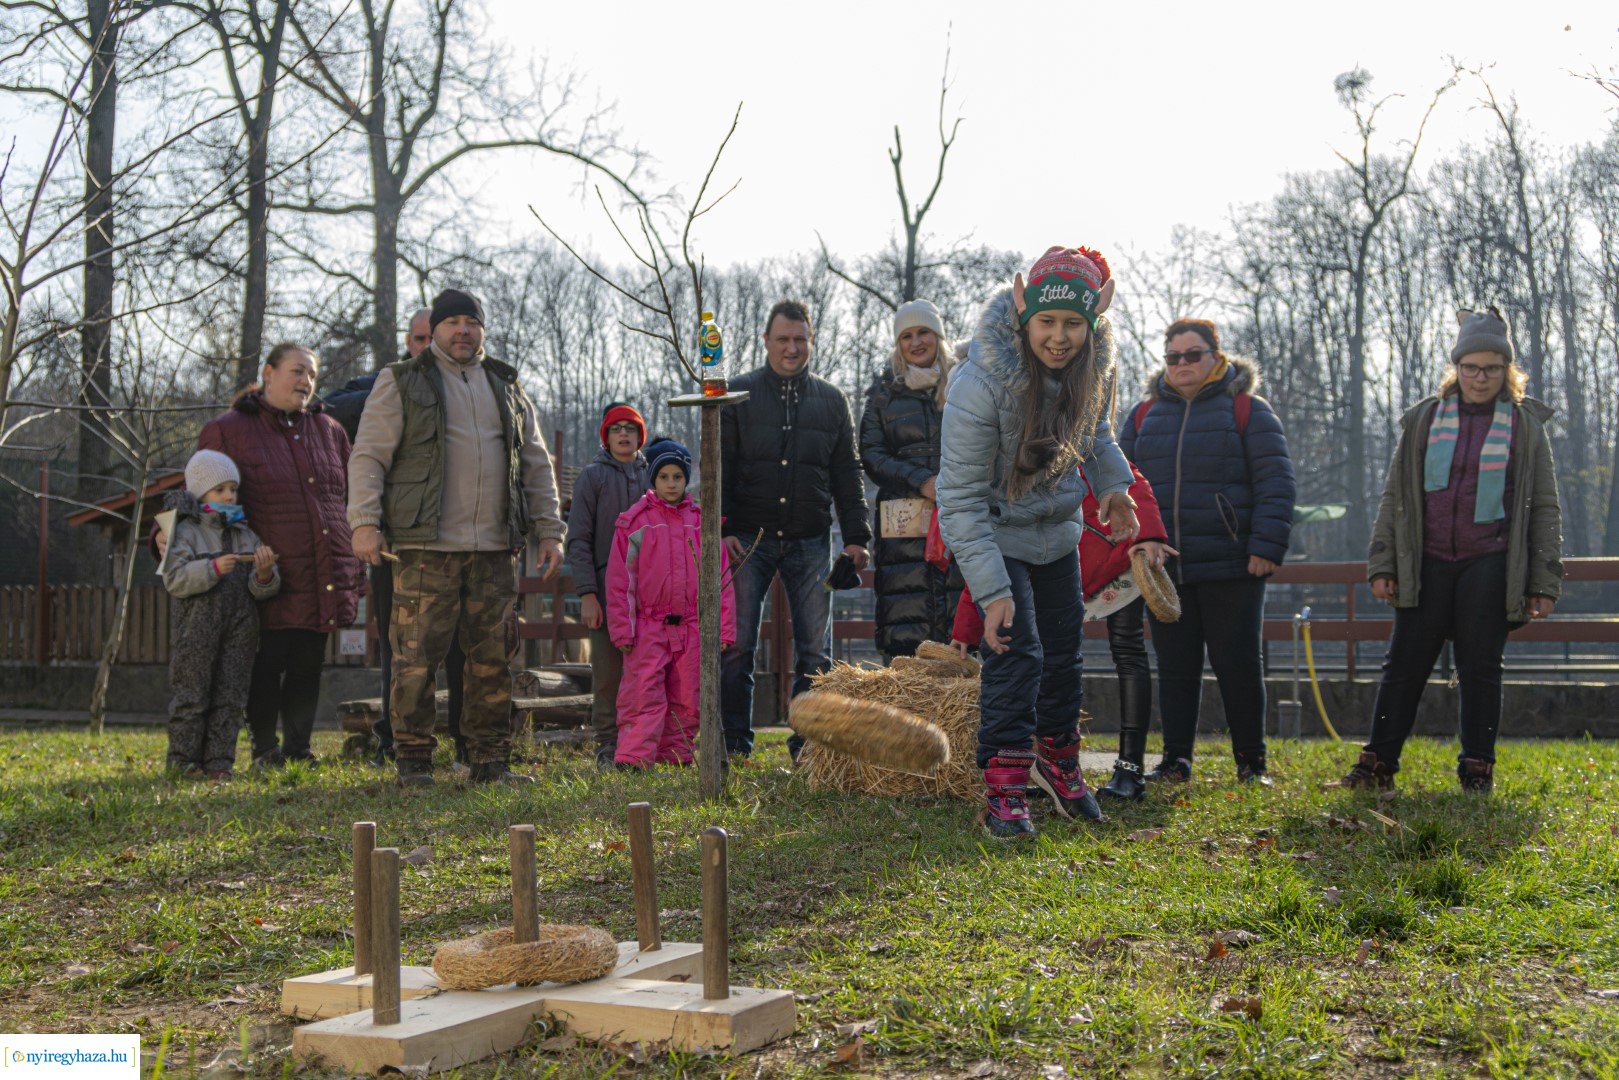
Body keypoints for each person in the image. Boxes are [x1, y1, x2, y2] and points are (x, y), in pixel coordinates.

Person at [938, 246, 1140, 839]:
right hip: (996, 531)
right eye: (1047, 322)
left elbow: (1096, 434)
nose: (1059, 337)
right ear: (1024, 313)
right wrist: (992, 592)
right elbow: (960, 499)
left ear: (1093, 321)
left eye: (1073, 323)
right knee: (1016, 650)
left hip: (1057, 531)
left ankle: (1057, 756)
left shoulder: (1092, 367)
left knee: (1063, 650)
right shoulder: (980, 383)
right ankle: (1004, 784)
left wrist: (1115, 488)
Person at [1335, 308, 1561, 794]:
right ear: (1456, 368)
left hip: (1490, 561)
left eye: (1492, 368)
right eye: (1471, 367)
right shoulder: (1424, 418)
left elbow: (1544, 505)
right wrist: (1383, 562)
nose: (1480, 377)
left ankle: (1477, 769)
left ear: (1507, 371)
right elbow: (1395, 497)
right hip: (1426, 562)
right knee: (1403, 666)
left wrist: (1544, 581)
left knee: (1481, 668)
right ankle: (1377, 766)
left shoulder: (1525, 425)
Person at [348, 288, 566, 787]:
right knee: (415, 659)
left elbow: (535, 462)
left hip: (495, 549)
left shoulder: (506, 384)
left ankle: (490, 761)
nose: (463, 330)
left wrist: (550, 530)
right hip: (425, 546)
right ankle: (413, 762)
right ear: (435, 330)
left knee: (493, 660)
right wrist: (363, 522)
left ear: (482, 329)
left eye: (472, 322)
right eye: (452, 323)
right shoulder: (401, 380)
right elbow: (369, 454)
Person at [166, 343, 362, 767]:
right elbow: (197, 490)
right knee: (267, 663)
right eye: (297, 371)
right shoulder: (229, 429)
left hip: (322, 569)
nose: (306, 381)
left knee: (309, 663)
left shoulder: (330, 430)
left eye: (312, 374)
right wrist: (163, 536)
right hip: (264, 574)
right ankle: (265, 749)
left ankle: (299, 749)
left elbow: (350, 497)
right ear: (268, 374)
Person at [1119, 317, 1295, 785]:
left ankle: (1251, 763)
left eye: (1192, 354)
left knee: (1239, 665)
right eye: (1173, 356)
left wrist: (1267, 546)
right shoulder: (1143, 415)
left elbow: (1276, 482)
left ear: (1216, 357)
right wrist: (1136, 543)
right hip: (1165, 567)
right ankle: (1175, 760)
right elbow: (1121, 483)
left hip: (1233, 563)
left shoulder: (1247, 409)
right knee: (1175, 668)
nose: (1182, 364)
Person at [951, 460, 1174, 801]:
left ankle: (1130, 768)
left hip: (1119, 559)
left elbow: (1129, 480)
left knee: (1127, 652)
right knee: (1046, 659)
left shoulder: (1071, 451)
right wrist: (965, 629)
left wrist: (1150, 536)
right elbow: (991, 561)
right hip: (1063, 571)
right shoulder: (1001, 481)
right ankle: (1051, 767)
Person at [720, 299, 871, 760]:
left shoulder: (832, 400)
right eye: (783, 339)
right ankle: (733, 746)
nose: (792, 348)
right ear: (765, 340)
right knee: (737, 646)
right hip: (748, 539)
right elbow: (721, 464)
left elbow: (847, 471)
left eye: (800, 339)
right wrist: (723, 525)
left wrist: (857, 536)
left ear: (811, 341)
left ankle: (808, 748)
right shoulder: (736, 395)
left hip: (810, 539)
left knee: (815, 652)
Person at [325, 308, 470, 766]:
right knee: (399, 645)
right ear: (409, 344)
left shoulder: (471, 386)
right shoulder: (386, 382)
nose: (427, 347)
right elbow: (329, 408)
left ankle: (467, 743)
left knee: (463, 645)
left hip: (459, 539)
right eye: (418, 339)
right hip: (399, 544)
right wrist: (400, 390)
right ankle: (394, 741)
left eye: (433, 338)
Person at [606, 439, 736, 768]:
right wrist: (623, 629)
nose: (671, 483)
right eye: (664, 476)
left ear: (686, 478)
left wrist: (723, 628)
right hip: (648, 625)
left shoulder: (703, 522)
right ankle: (633, 758)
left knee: (688, 694)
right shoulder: (635, 522)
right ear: (654, 479)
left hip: (691, 626)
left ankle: (675, 755)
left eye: (678, 476)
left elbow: (720, 580)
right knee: (642, 692)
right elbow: (621, 582)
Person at [160, 450, 281, 779]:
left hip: (240, 632)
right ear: (200, 494)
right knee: (192, 694)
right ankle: (183, 762)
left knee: (230, 696)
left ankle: (219, 763)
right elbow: (174, 578)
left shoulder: (246, 534)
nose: (229, 496)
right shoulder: (185, 532)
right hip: (195, 632)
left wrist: (265, 574)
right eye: (220, 489)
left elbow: (262, 590)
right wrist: (211, 569)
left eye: (233, 489)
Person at [859, 298, 966, 659]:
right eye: (907, 336)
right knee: (906, 618)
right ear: (898, 343)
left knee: (959, 618)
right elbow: (872, 454)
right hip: (902, 525)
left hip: (958, 512)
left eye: (924, 333)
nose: (916, 342)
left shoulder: (964, 385)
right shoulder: (882, 395)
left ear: (938, 336)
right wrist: (921, 481)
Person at [565, 401, 650, 767]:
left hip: (651, 591)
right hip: (605, 589)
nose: (624, 435)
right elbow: (578, 539)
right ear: (606, 436)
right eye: (617, 429)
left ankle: (645, 742)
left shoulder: (655, 475)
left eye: (630, 429)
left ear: (640, 436)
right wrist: (587, 593)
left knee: (649, 669)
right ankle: (607, 745)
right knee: (608, 672)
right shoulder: (593, 477)